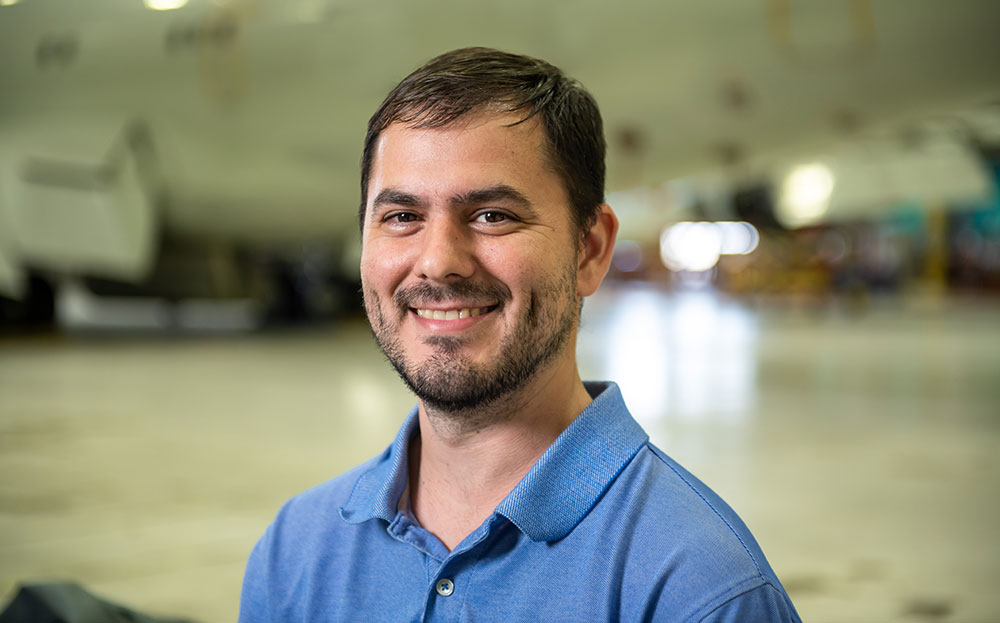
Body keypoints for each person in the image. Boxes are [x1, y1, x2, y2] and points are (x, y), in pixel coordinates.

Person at [238, 47, 800, 623]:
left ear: (591, 249)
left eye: (492, 215)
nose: (437, 263)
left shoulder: (698, 591)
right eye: (402, 216)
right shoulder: (294, 553)